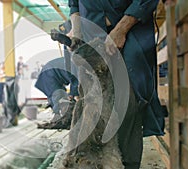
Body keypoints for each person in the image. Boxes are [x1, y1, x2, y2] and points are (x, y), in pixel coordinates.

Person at [68, 0, 167, 168]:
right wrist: (77, 28)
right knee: (91, 98)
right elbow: (74, 4)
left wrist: (122, 29)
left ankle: (128, 163)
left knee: (127, 98)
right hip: (91, 29)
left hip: (132, 26)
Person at [35, 57, 79, 129]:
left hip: (51, 72)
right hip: (49, 73)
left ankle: (60, 117)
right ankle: (57, 119)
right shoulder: (81, 66)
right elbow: (76, 81)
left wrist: (73, 93)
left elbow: (75, 81)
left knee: (58, 97)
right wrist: (74, 94)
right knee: (57, 97)